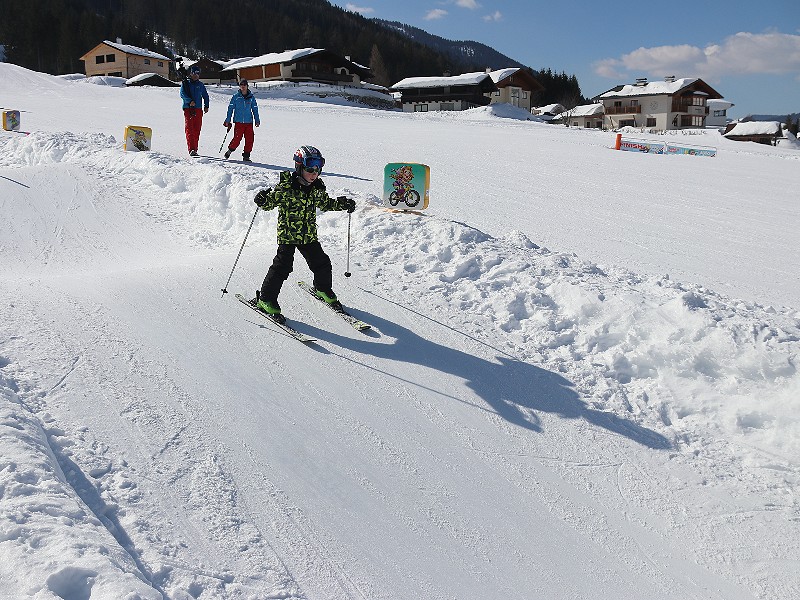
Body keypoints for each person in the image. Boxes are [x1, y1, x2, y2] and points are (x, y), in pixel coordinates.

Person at [252, 145, 356, 323]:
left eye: (318, 168)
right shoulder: (286, 188)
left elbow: (326, 204)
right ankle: (265, 299)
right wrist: (262, 199)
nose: (314, 173)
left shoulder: (316, 188)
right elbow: (269, 203)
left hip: (308, 235)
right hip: (288, 236)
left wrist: (342, 204)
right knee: (282, 267)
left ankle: (322, 288)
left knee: (322, 263)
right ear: (299, 167)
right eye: (310, 168)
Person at [223, 79, 260, 162]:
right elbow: (230, 109)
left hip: (249, 122)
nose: (243, 86)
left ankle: (246, 156)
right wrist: (227, 120)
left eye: (244, 85)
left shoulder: (251, 97)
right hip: (239, 122)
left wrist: (257, 120)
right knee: (237, 138)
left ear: (247, 86)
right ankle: (230, 150)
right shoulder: (236, 97)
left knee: (250, 139)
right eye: (241, 85)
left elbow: (255, 109)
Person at [179, 65, 209, 157]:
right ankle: (191, 149)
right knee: (190, 129)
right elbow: (182, 94)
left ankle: (195, 149)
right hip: (188, 109)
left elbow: (205, 95)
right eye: (194, 73)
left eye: (197, 73)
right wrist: (189, 101)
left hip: (198, 109)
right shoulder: (186, 83)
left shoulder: (200, 85)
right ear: (191, 73)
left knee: (197, 129)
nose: (195, 75)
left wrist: (206, 105)